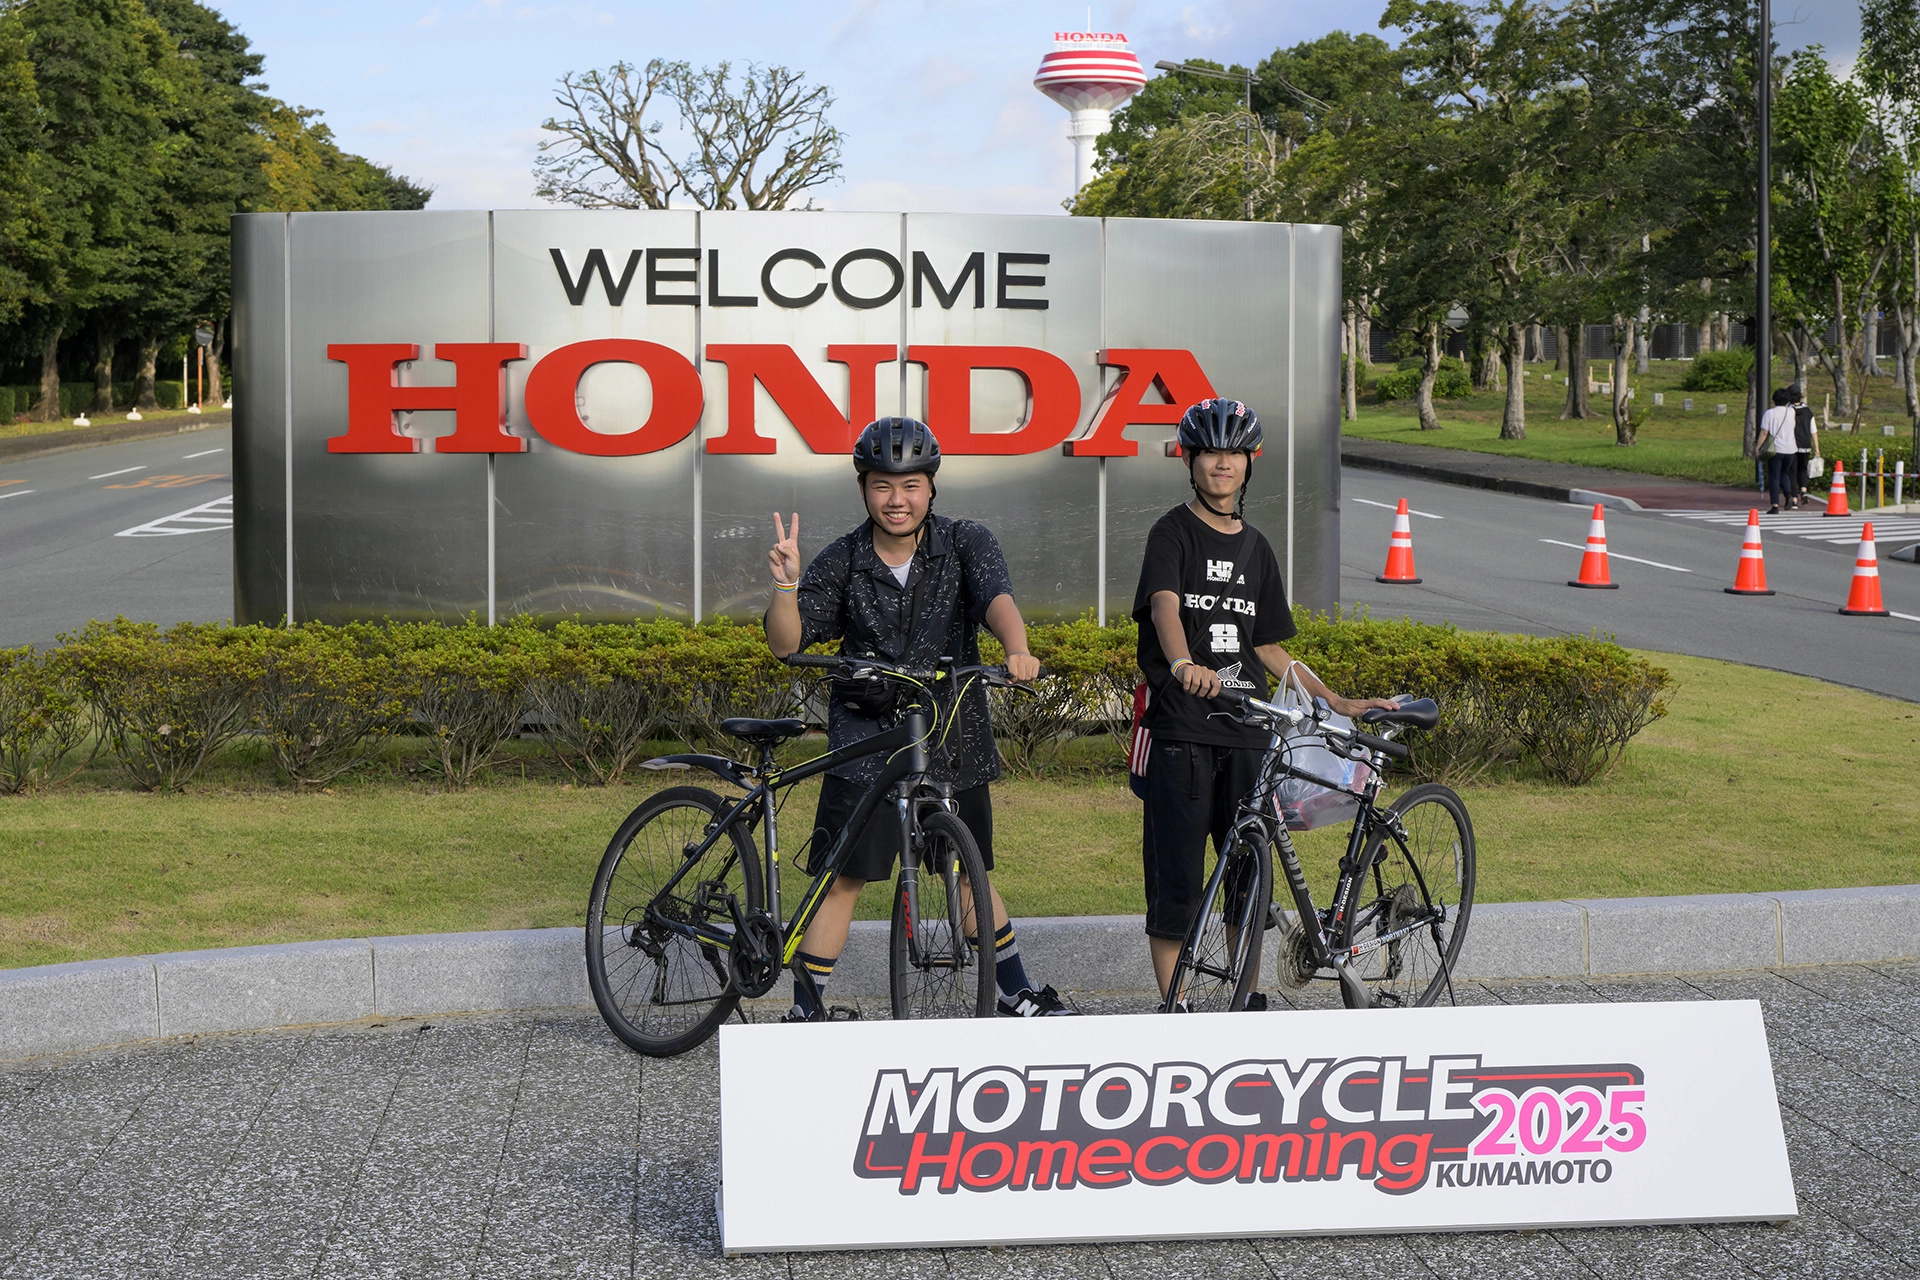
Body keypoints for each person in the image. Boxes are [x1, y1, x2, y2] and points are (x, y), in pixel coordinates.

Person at [764, 416, 1076, 1020]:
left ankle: (1014, 992)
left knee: (968, 871)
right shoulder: (844, 559)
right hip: (868, 739)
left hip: (952, 730)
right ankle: (806, 1010)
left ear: (931, 487)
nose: (897, 499)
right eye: (882, 485)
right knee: (844, 877)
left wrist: (1017, 648)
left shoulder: (965, 541)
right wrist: (785, 587)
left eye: (910, 485)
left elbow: (997, 599)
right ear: (863, 489)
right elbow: (787, 643)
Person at [1131, 398, 1397, 1009]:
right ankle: (1177, 1010)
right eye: (1209, 453)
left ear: (1250, 461)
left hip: (1250, 736)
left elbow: (1269, 647)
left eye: (1233, 453)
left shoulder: (1256, 547)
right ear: (1189, 460)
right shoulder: (1171, 532)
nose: (1221, 464)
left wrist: (1336, 700)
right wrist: (1182, 664)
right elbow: (1165, 605)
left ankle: (1244, 1002)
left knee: (1247, 882)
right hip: (1183, 733)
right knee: (1176, 885)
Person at [1756, 387, 1798, 513]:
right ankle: (1788, 494)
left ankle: (1775, 505)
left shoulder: (1769, 413)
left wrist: (1758, 447)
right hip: (1791, 448)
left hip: (1776, 449)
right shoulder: (1791, 412)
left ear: (1774, 400)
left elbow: (1764, 432)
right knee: (1785, 473)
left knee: (1774, 477)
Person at [1790, 383, 1818, 505]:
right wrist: (1817, 448)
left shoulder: (1789, 411)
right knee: (1803, 469)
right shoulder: (1807, 411)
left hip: (1792, 444)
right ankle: (1804, 490)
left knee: (1792, 471)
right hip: (1806, 444)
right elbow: (1813, 431)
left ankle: (1794, 499)